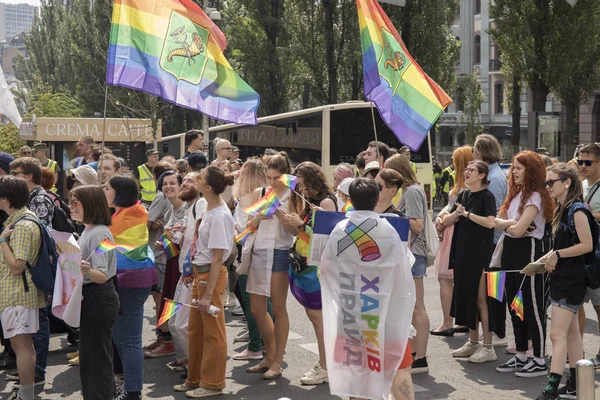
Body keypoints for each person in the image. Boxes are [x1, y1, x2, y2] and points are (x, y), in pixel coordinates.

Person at [320, 178, 416, 400]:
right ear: (376, 200)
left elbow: (326, 267)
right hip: (386, 311)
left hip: (352, 314)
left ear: (350, 200)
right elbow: (404, 269)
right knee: (399, 366)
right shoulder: (389, 230)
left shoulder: (339, 230)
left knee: (357, 369)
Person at [174, 166, 234, 398]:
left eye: (199, 178)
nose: (195, 179)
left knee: (213, 332)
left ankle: (212, 383)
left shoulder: (219, 215)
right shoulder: (208, 209)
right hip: (201, 275)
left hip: (210, 276)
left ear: (207, 187)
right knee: (195, 330)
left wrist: (209, 293)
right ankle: (196, 378)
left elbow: (219, 257)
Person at [535, 163, 592, 400]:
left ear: (566, 182)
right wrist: (542, 261)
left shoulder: (577, 209)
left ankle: (551, 390)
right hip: (564, 277)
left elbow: (587, 245)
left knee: (557, 335)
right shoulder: (562, 207)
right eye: (546, 183)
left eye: (551, 182)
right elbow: (560, 248)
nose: (547, 187)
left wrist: (557, 255)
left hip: (571, 280)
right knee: (570, 334)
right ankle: (576, 383)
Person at [494, 151, 554, 377]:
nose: (514, 171)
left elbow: (519, 230)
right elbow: (498, 222)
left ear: (532, 170)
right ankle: (520, 354)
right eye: (514, 167)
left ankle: (539, 358)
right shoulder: (516, 194)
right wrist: (511, 223)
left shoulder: (536, 196)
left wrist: (508, 225)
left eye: (519, 167)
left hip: (529, 254)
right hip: (511, 252)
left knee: (533, 308)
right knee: (515, 306)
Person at [280, 161, 337, 385]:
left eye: (301, 183)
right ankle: (325, 363)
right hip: (305, 264)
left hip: (317, 268)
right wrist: (291, 222)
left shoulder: (325, 201)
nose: (299, 188)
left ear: (311, 179)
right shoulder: (311, 201)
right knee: (315, 319)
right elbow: (304, 235)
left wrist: (300, 226)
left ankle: (326, 366)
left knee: (318, 318)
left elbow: (326, 239)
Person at [104, 174, 157, 400]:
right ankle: (128, 387)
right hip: (127, 281)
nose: (103, 190)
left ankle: (133, 392)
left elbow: (104, 248)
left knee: (130, 341)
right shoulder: (128, 213)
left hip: (130, 282)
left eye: (107, 188)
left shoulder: (127, 217)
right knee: (121, 338)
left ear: (120, 193)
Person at [244, 153, 296, 379]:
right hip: (259, 251)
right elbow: (248, 224)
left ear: (285, 176)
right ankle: (271, 354)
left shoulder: (293, 195)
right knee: (256, 307)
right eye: (269, 177)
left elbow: (296, 231)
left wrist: (288, 222)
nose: (272, 182)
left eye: (276, 178)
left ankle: (277, 360)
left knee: (278, 308)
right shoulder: (261, 192)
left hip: (280, 252)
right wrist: (258, 218)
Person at [442, 161, 497, 363]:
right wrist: (456, 214)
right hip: (462, 253)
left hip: (479, 254)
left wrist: (468, 214)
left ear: (482, 175)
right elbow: (447, 221)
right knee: (467, 298)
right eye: (466, 170)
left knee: (481, 300)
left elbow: (491, 222)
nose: (466, 173)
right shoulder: (464, 195)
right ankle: (473, 342)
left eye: (471, 170)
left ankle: (488, 345)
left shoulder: (487, 196)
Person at [69, 185, 120, 400]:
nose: (71, 207)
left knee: (97, 360)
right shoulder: (89, 230)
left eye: (75, 203)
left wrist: (85, 268)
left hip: (99, 297)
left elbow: (102, 274)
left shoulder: (99, 232)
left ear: (89, 204)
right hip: (92, 297)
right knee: (91, 359)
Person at [0, 176, 46, 400]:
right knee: (23, 345)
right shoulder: (19, 221)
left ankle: (26, 395)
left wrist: (1, 241)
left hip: (18, 294)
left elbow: (17, 266)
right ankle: (26, 392)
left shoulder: (22, 225)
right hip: (18, 294)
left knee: (22, 346)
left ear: (6, 199)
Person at [9, 157, 53, 385]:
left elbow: (29, 249)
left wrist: (4, 242)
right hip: (26, 279)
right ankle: (28, 370)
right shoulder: (29, 199)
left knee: (37, 329)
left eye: (14, 173)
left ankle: (36, 373)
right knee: (25, 339)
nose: (10, 176)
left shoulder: (39, 200)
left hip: (32, 277)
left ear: (28, 176)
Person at [385, 153, 430, 374]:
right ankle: (415, 354)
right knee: (412, 306)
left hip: (414, 253)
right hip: (411, 253)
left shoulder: (411, 191)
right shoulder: (412, 190)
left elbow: (417, 225)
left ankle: (421, 357)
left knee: (417, 306)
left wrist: (395, 214)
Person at [230, 160, 271, 360]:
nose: (237, 175)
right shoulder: (267, 193)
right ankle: (267, 343)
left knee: (253, 302)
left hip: (249, 250)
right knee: (266, 301)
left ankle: (255, 345)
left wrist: (233, 229)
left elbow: (243, 227)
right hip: (265, 251)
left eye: (241, 173)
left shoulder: (247, 196)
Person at [431, 146, 473, 337]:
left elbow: (453, 214)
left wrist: (441, 220)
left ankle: (448, 322)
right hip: (458, 232)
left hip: (453, 233)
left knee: (445, 278)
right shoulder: (466, 185)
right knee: (457, 279)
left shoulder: (462, 187)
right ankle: (461, 321)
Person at [147, 171, 187, 359]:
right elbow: (169, 234)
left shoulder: (187, 208)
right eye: (165, 184)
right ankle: (171, 345)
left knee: (176, 307)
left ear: (181, 186)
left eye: (173, 183)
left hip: (181, 264)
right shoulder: (171, 208)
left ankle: (178, 350)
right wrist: (163, 241)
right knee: (167, 302)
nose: (168, 187)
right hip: (170, 259)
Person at [473, 134, 509, 347]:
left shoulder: (494, 178)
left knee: (495, 287)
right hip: (494, 239)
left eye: (475, 151)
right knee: (494, 286)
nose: (474, 155)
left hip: (494, 240)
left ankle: (499, 331)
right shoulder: (495, 174)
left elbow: (492, 213)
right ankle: (497, 329)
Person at [168, 172, 206, 371]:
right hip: (184, 274)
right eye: (183, 180)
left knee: (183, 325)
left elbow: (202, 239)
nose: (184, 184)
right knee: (174, 322)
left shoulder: (200, 205)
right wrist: (178, 235)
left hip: (193, 274)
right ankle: (189, 358)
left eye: (189, 181)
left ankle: (196, 365)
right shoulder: (190, 208)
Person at [143, 162, 176, 355]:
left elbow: (147, 223)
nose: (168, 187)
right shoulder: (170, 199)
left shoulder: (161, 197)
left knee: (161, 300)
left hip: (159, 254)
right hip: (164, 253)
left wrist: (149, 219)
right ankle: (162, 338)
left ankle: (166, 340)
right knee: (161, 299)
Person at [576, 143, 600, 364]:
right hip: (581, 254)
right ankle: (577, 351)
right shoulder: (580, 184)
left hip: (598, 255)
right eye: (579, 161)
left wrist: (587, 214)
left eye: (587, 162)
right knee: (576, 305)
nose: (582, 165)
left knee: (599, 305)